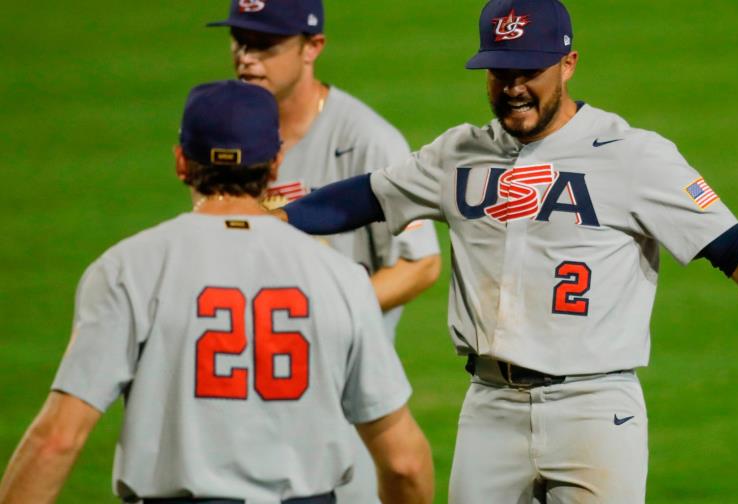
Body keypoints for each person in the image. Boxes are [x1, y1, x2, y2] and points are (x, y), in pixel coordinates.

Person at [274, 0, 738, 502]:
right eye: (497, 71)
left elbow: (736, 250)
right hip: (489, 407)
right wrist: (255, 220)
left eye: (528, 71)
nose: (512, 88)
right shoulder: (456, 155)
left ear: (568, 64)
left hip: (596, 410)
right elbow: (363, 198)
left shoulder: (633, 155)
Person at [0, 81, 434, 504]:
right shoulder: (341, 278)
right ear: (276, 163)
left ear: (181, 163)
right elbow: (403, 464)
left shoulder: (127, 269)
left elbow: (57, 440)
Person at [205, 4, 441, 500]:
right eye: (240, 41)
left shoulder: (368, 141)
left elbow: (422, 264)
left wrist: (314, 315)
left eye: (265, 45)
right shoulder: (224, 137)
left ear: (313, 48)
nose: (247, 59)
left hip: (339, 396)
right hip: (238, 393)